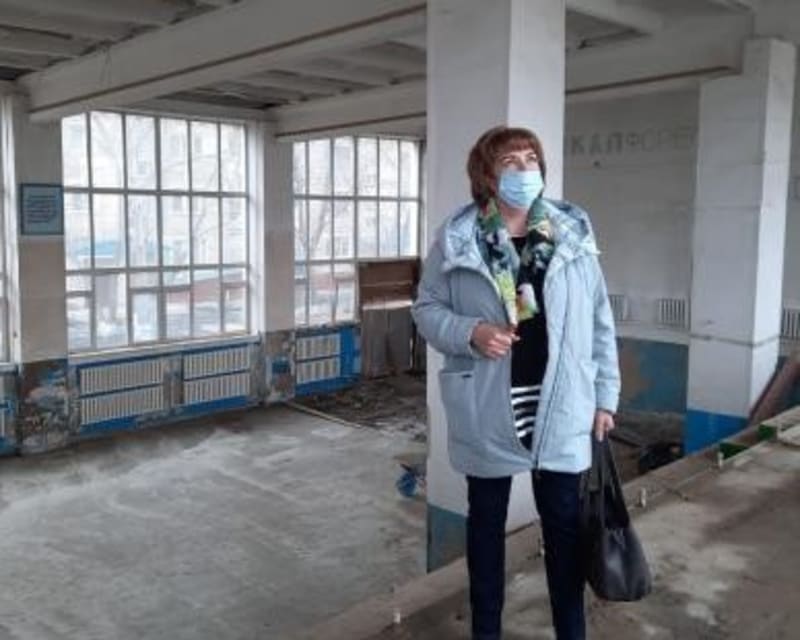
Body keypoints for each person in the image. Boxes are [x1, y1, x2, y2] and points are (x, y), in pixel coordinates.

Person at [412, 125, 621, 640]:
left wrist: (605, 397)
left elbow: (600, 320)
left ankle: (571, 633)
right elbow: (426, 309)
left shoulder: (571, 234)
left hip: (562, 405)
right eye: (510, 161)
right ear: (486, 174)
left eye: (531, 159)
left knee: (566, 534)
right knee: (486, 530)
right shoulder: (459, 239)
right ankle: (486, 632)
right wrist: (471, 332)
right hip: (488, 405)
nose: (525, 169)